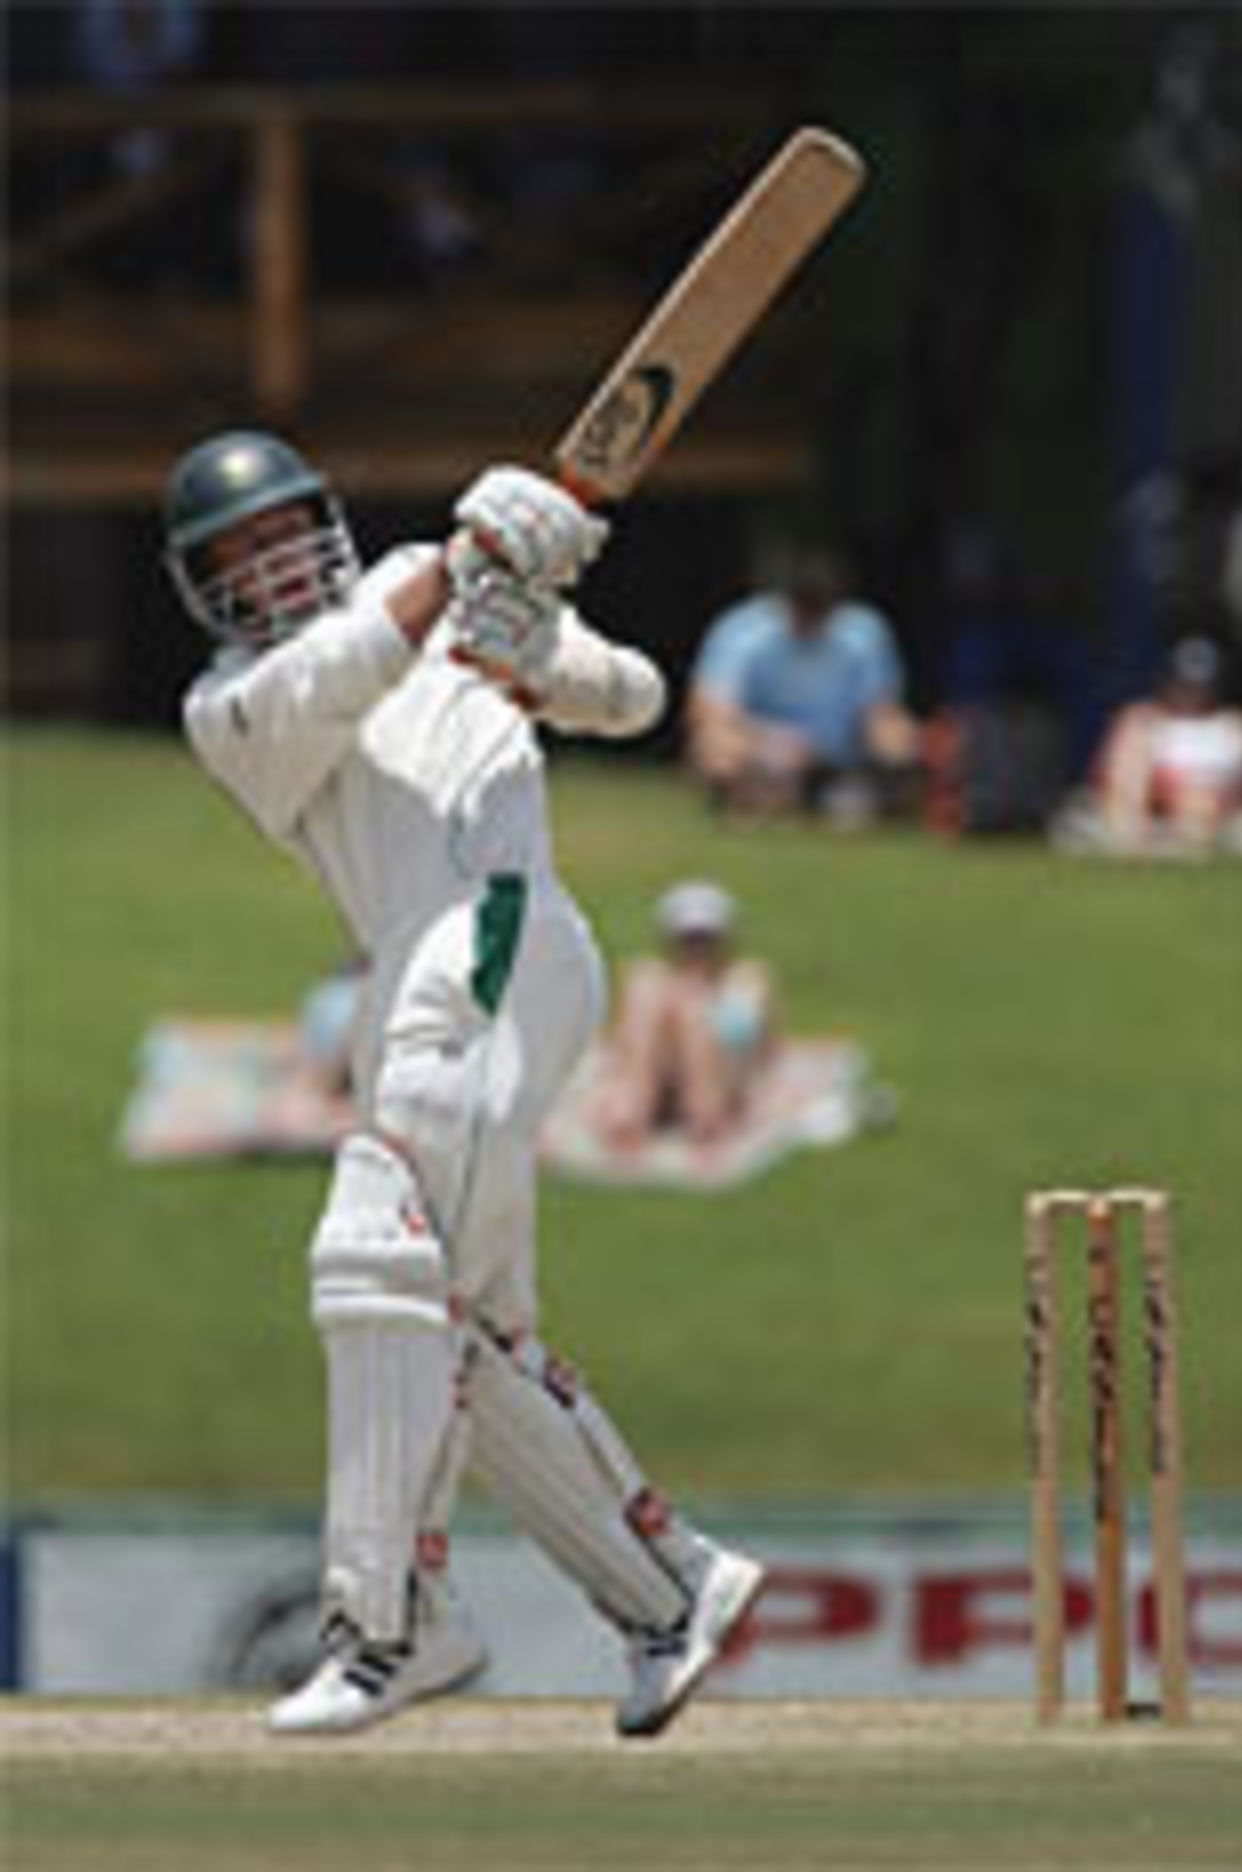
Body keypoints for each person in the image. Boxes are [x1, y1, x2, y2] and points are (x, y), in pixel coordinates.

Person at [163, 430, 764, 1738]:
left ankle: (389, 1628)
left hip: (497, 931)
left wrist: (541, 654)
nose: (267, 563)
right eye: (236, 553)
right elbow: (348, 667)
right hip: (414, 977)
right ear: (205, 587)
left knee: (374, 1251)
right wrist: (459, 562)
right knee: (454, 1327)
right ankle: (673, 1588)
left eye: (281, 530)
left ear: (323, 520)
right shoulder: (233, 705)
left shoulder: (429, 598)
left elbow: (641, 697)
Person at [684, 546, 921, 822]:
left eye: (820, 609)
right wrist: (774, 742)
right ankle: (757, 798)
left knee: (898, 737)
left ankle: (870, 800)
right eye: (803, 607)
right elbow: (708, 708)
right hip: (761, 746)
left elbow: (881, 709)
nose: (810, 619)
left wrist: (894, 745)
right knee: (717, 741)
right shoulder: (743, 629)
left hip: (838, 753)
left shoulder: (864, 632)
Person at [595, 881, 775, 1150]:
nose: (697, 949)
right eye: (688, 940)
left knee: (691, 1005)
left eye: (706, 940)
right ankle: (633, 1109)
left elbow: (763, 1052)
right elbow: (621, 1044)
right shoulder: (653, 981)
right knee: (647, 982)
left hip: (720, 1082)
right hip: (656, 1079)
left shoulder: (745, 981)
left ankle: (702, 1118)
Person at [1085, 636, 1242, 855]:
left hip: (1217, 821)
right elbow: (1123, 783)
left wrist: (1200, 808)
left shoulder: (1234, 726)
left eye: (1200, 687)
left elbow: (1240, 790)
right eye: (1184, 685)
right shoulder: (1144, 720)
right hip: (1153, 818)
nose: (1191, 694)